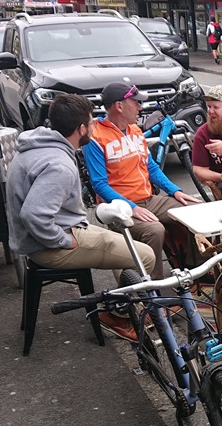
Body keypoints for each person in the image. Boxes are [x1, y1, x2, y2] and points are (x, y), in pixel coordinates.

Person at [6, 93, 156, 341]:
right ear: (81, 129)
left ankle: (121, 305)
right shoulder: (59, 165)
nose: (95, 125)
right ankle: (114, 315)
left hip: (57, 231)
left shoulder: (40, 145)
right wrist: (63, 241)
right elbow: (33, 215)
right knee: (145, 256)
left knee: (124, 244)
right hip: (47, 246)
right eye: (92, 122)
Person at [83, 82, 201, 281]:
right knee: (154, 230)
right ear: (119, 106)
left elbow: (152, 168)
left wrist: (175, 191)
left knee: (193, 209)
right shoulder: (95, 138)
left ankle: (195, 272)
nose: (140, 107)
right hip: (119, 207)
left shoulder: (135, 131)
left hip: (149, 199)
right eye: (136, 102)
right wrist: (132, 208)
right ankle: (152, 289)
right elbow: (99, 184)